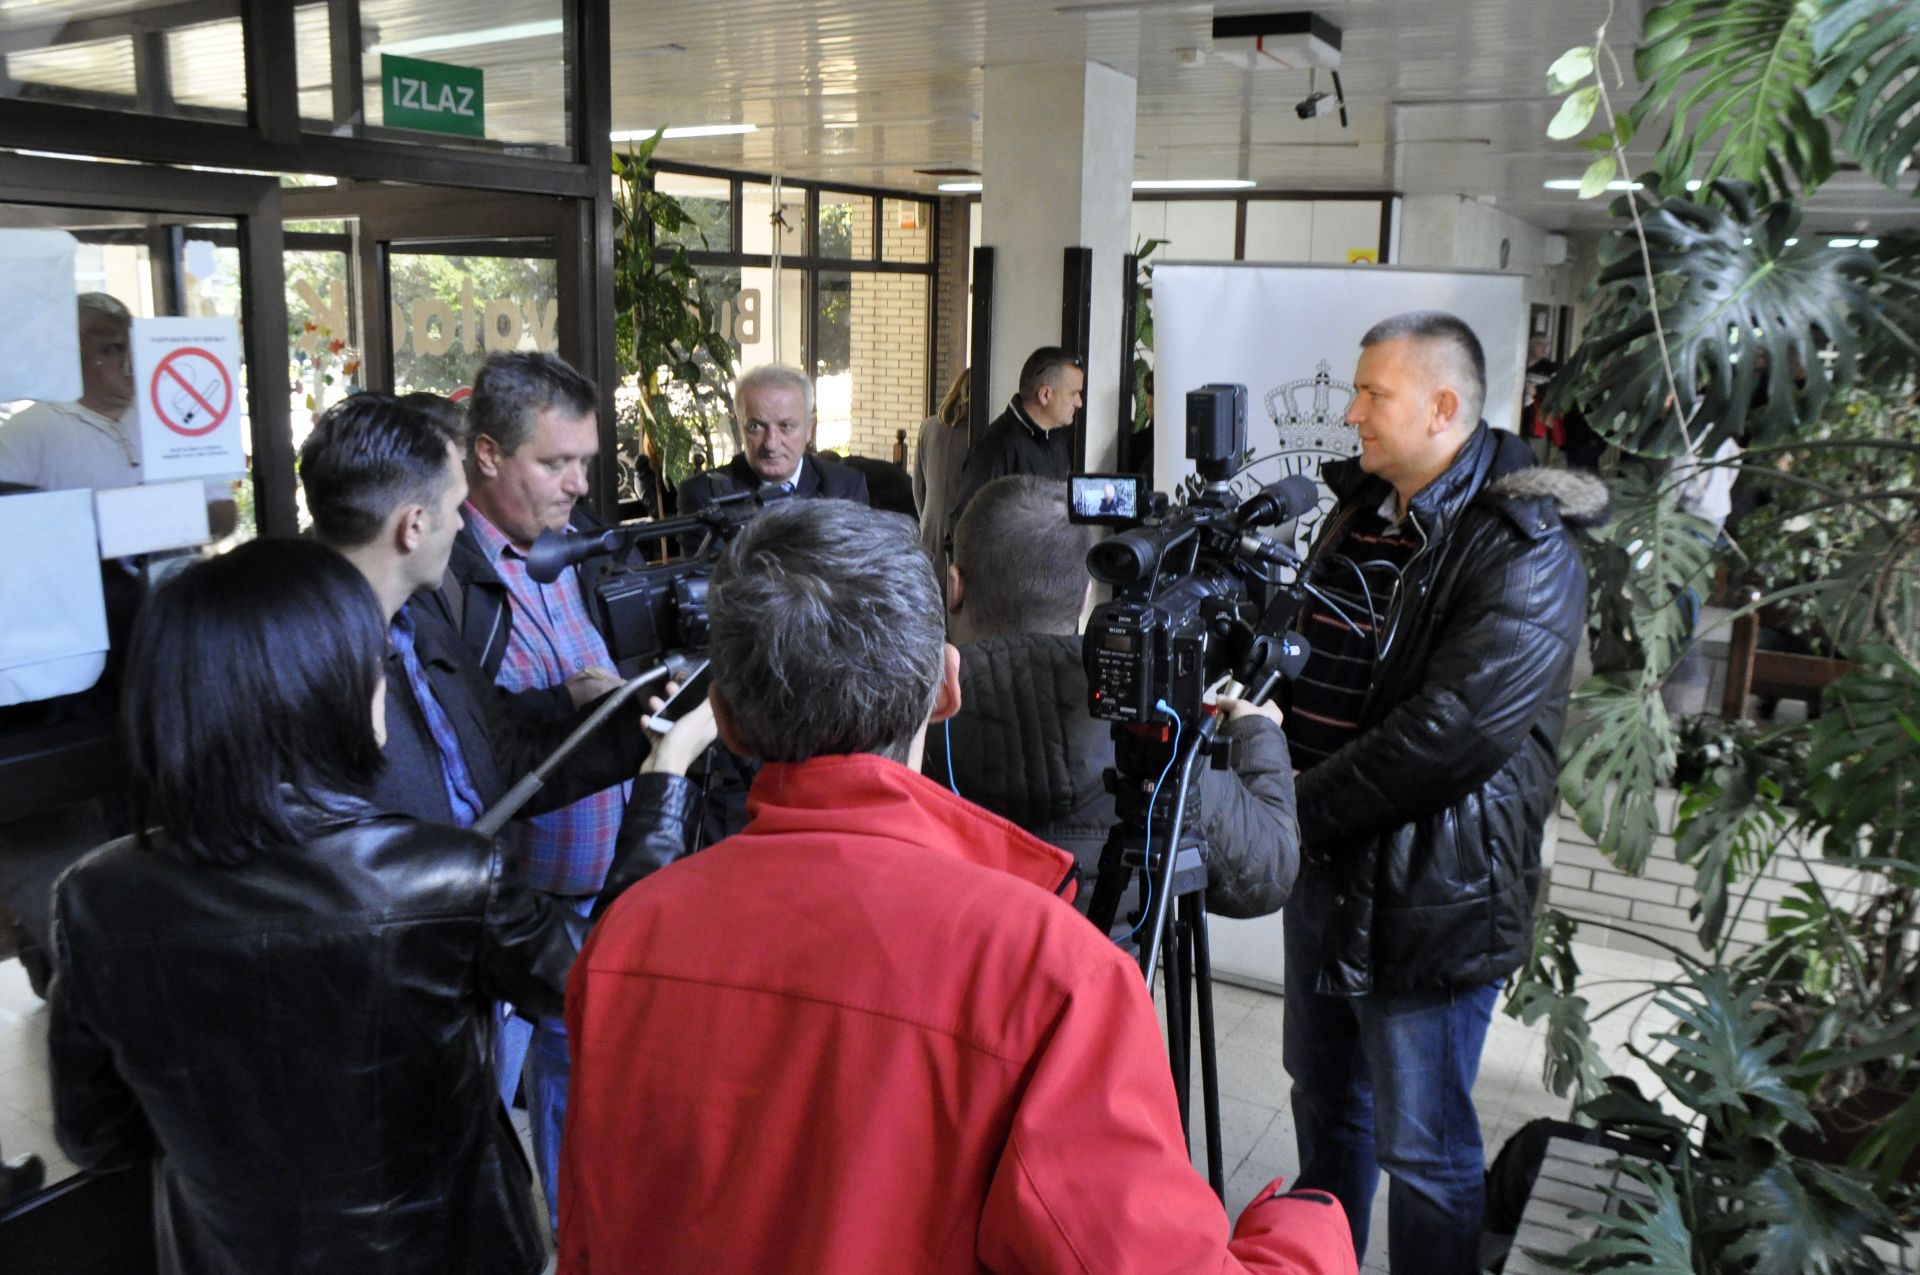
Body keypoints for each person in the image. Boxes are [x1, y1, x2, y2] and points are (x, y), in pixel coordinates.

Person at [559, 499, 1358, 1275]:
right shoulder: (1052, 973)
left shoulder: (625, 938)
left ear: (725, 719)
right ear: (947, 685)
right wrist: (1309, 1225)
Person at [45, 538, 709, 1275]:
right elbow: (608, 977)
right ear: (322, 688)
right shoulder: (445, 878)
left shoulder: (94, 899)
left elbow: (98, 1136)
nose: (384, 678)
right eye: (373, 660)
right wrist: (667, 776)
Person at [1278, 311, 1602, 1274]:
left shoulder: (1524, 544)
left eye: (1372, 394)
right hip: (1326, 863)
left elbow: (1449, 734)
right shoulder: (1363, 509)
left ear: (1443, 406)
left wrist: (1291, 808)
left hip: (1434, 888)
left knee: (1423, 1150)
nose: (1352, 413)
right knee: (1326, 1102)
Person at [298, 391, 699, 835]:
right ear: (414, 526)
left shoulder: (420, 629)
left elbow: (504, 759)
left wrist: (639, 708)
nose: (461, 524)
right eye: (454, 507)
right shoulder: (304, 672)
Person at [443, 350, 640, 1224]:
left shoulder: (569, 541)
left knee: (576, 1084)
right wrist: (575, 701)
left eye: (585, 461)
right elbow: (477, 747)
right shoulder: (448, 576)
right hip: (503, 910)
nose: (578, 484)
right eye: (556, 462)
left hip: (593, 893)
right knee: (478, 1106)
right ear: (487, 455)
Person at [923, 475, 1298, 931]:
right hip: (1109, 976)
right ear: (1086, 595)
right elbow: (1266, 876)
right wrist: (1257, 735)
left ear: (954, 587)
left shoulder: (908, 714)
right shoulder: (1154, 722)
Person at [0, 292, 236, 536]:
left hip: (178, 562)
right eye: (112, 349)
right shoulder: (29, 431)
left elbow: (223, 513)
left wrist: (159, 520)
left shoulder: (171, 420)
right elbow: (13, 531)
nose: (129, 362)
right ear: (73, 354)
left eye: (135, 346)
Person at [677, 363, 869, 509]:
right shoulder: (703, 495)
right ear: (739, 428)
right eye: (755, 427)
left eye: (786, 426)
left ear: (810, 428)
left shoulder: (845, 487)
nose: (771, 444)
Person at [947, 345, 1083, 533]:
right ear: (1045, 395)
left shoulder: (1057, 439)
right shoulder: (995, 447)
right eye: (1073, 393)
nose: (1079, 402)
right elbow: (964, 526)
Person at [913, 364, 972, 588]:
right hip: (962, 535)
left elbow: (918, 488)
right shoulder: (979, 434)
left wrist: (926, 520)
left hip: (929, 531)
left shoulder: (928, 427)